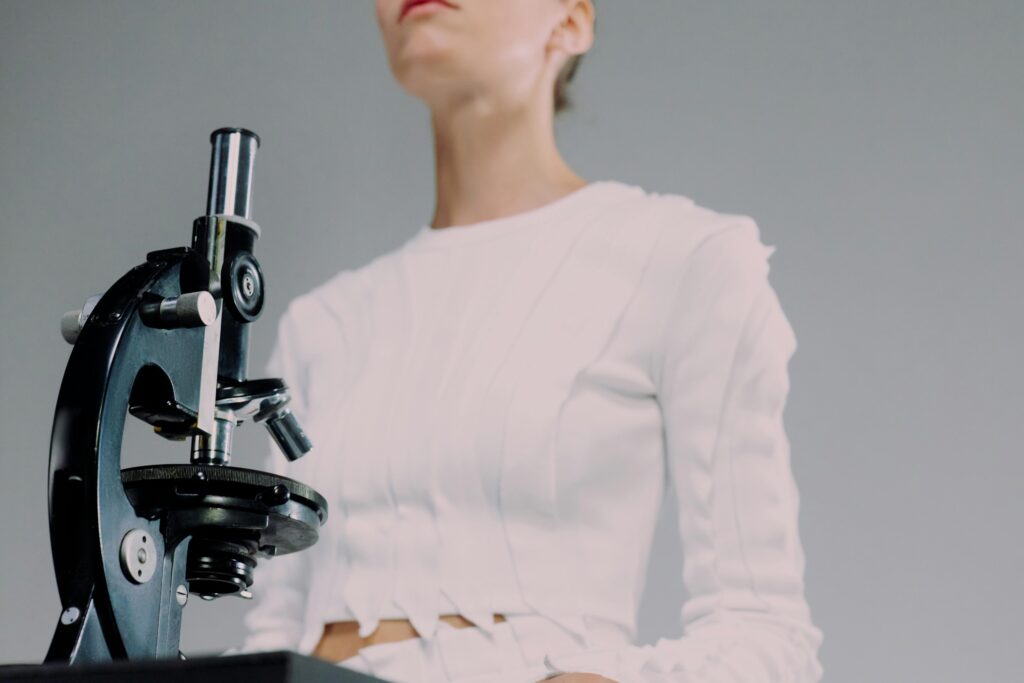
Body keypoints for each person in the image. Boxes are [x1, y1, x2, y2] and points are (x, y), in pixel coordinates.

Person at [227, 1, 825, 681]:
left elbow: (767, 638)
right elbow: (272, 631)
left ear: (571, 22)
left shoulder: (684, 262)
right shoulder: (323, 324)